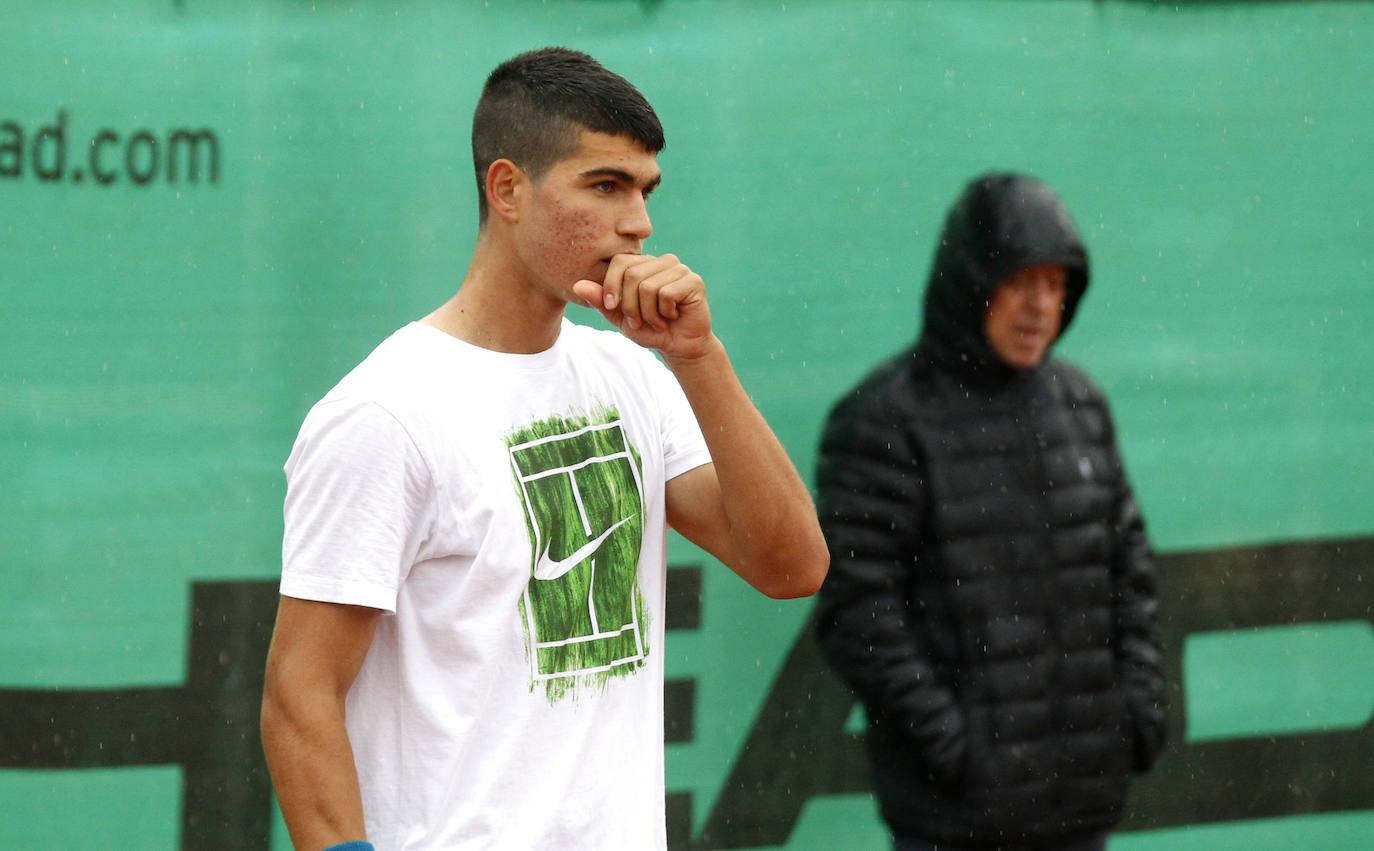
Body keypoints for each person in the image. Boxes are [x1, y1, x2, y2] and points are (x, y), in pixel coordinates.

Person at [260, 47, 828, 851]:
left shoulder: (634, 374)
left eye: (644, 189)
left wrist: (698, 358)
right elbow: (299, 692)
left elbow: (791, 566)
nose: (639, 222)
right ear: (508, 190)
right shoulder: (385, 412)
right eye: (605, 185)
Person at [814, 172, 1166, 851]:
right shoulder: (886, 418)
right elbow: (856, 610)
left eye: (1057, 285)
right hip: (954, 822)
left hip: (1081, 809)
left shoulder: (1080, 405)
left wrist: (1136, 715)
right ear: (971, 281)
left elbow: (1130, 573)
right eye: (1021, 281)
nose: (1042, 306)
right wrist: (954, 746)